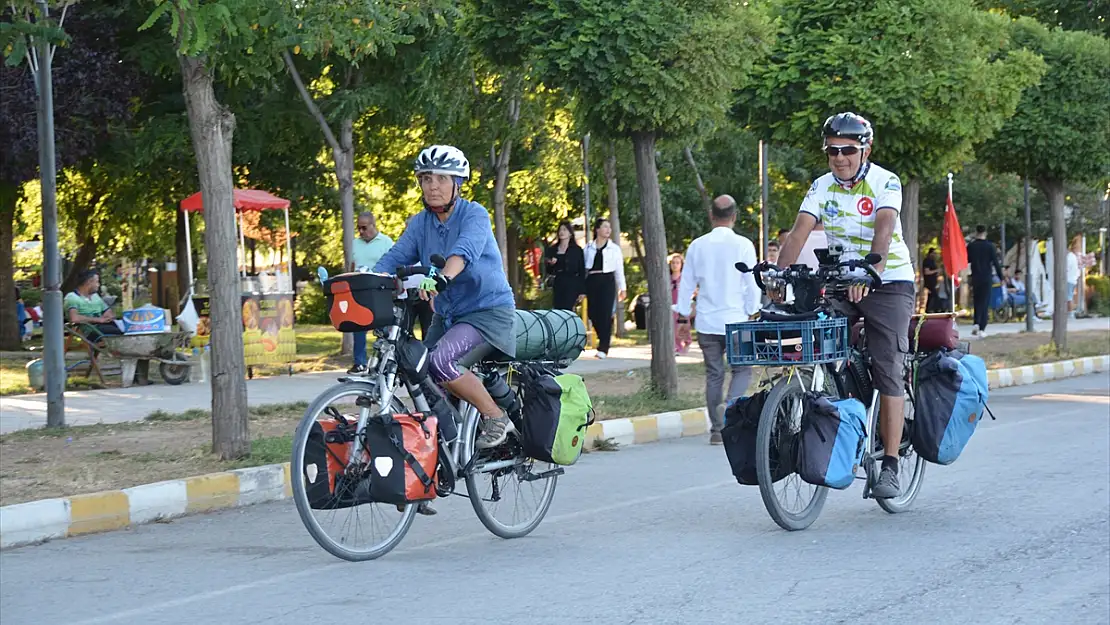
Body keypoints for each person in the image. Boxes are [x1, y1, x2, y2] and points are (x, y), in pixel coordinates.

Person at [776, 112, 915, 499]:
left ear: (865, 150)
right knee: (815, 332)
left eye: (848, 150)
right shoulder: (821, 186)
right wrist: (777, 274)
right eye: (833, 151)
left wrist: (869, 273)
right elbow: (798, 230)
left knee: (888, 364)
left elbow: (884, 228)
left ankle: (888, 465)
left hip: (887, 280)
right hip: (839, 278)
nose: (840, 158)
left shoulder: (885, 181)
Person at [373, 145, 517, 456]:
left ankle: (495, 418)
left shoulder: (474, 215)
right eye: (426, 179)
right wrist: (367, 280)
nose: (433, 186)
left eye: (441, 178)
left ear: (457, 183)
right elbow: (396, 257)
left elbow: (462, 252)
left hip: (487, 313)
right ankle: (441, 450)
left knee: (439, 361)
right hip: (449, 316)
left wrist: (442, 277)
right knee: (417, 367)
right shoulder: (420, 223)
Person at [674, 196, 760, 445]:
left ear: (711, 216)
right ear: (734, 216)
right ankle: (731, 406)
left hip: (707, 321)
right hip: (736, 320)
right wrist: (752, 310)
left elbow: (687, 283)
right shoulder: (743, 244)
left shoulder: (697, 246)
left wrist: (682, 317)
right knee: (742, 369)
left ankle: (716, 429)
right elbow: (752, 282)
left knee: (714, 374)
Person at [348, 211, 394, 375]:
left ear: (373, 225)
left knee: (382, 328)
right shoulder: (355, 243)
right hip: (360, 289)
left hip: (379, 290)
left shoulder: (386, 242)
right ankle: (359, 362)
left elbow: (394, 264)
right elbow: (352, 265)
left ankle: (383, 361)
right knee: (358, 326)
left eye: (364, 228)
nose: (361, 231)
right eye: (358, 228)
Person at [583, 218, 626, 359]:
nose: (608, 230)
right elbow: (583, 268)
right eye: (605, 227)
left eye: (609, 227)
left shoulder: (614, 249)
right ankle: (605, 336)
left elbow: (619, 269)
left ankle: (604, 346)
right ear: (597, 229)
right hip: (592, 280)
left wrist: (622, 288)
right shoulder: (588, 247)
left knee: (605, 312)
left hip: (607, 280)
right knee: (593, 313)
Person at [967, 225, 1003, 336]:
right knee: (985, 301)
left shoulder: (971, 246)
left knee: (977, 300)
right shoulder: (990, 246)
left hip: (975, 276)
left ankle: (976, 323)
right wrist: (1001, 277)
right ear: (985, 233)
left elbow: (967, 260)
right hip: (986, 276)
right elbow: (996, 263)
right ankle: (982, 327)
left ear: (976, 232)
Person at [545, 221, 586, 311]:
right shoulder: (552, 249)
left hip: (572, 283)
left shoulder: (577, 250)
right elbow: (548, 270)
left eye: (564, 229)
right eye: (560, 230)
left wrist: (582, 290)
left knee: (568, 309)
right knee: (558, 309)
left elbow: (582, 271)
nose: (562, 232)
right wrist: (551, 264)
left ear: (570, 233)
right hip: (559, 282)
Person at [668, 252, 692, 355]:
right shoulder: (667, 278)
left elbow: (691, 290)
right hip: (671, 305)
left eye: (677, 263)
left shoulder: (684, 278)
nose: (675, 265)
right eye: (673, 263)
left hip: (682, 305)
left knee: (683, 325)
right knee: (673, 326)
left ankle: (686, 343)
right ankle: (676, 346)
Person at [921, 247, 942, 313]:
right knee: (935, 297)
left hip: (933, 282)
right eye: (934, 253)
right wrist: (936, 270)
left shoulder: (932, 261)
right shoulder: (927, 261)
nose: (935, 255)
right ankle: (937, 310)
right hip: (929, 283)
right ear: (930, 253)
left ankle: (928, 310)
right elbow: (926, 272)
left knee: (931, 297)